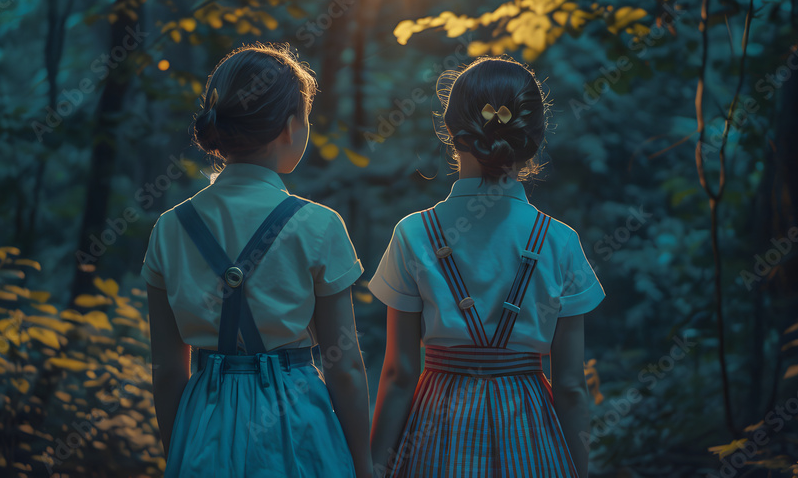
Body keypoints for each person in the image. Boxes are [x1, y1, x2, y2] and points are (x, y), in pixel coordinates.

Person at [142, 43, 372, 477]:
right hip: (297, 424)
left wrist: (182, 452)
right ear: (289, 127)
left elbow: (168, 370)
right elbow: (344, 366)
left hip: (204, 423)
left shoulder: (169, 228)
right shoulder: (319, 225)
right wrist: (364, 465)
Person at [369, 56, 604, 477]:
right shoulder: (560, 241)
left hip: (437, 428)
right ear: (534, 137)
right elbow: (570, 386)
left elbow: (399, 374)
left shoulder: (414, 233)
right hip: (529, 428)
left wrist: (373, 465)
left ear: (451, 131)